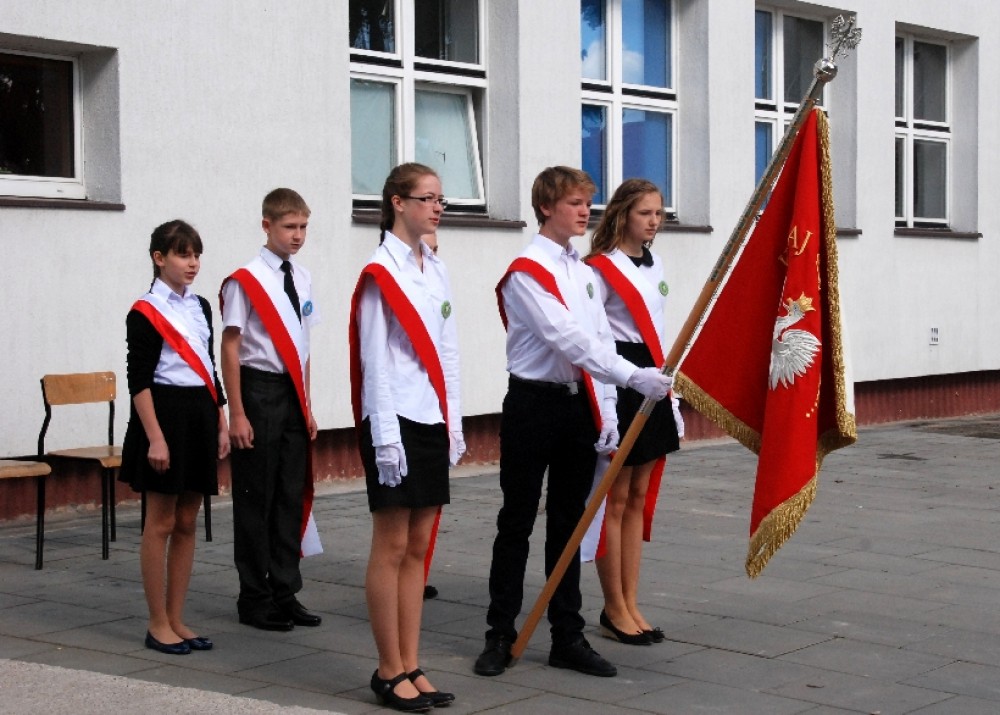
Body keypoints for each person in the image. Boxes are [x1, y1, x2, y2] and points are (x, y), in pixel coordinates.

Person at [475, 166, 672, 679]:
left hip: (576, 405)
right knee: (517, 520)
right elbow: (568, 339)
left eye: (587, 203)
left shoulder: (582, 273)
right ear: (546, 208)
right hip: (533, 404)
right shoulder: (526, 272)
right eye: (574, 203)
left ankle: (567, 634)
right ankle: (500, 633)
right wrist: (633, 376)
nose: (585, 212)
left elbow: (599, 340)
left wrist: (606, 412)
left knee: (570, 523)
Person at [350, 163, 463, 711]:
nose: (437, 208)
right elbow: (374, 361)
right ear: (397, 202)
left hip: (429, 416)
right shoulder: (381, 272)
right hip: (393, 418)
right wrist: (386, 437)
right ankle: (387, 667)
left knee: (419, 547)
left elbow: (448, 352)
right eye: (427, 198)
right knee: (391, 544)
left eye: (441, 199)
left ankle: (412, 663)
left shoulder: (434, 269)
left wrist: (454, 421)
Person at [121, 219, 231, 656]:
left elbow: (209, 367)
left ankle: (176, 617)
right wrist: (155, 438)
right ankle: (156, 623)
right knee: (161, 522)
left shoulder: (200, 306)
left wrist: (221, 421)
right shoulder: (144, 311)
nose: (193, 263)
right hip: (164, 417)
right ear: (159, 258)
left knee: (187, 522)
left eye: (196, 255)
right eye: (183, 255)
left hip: (199, 415)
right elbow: (139, 381)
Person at [584, 179, 684, 646]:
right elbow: (595, 338)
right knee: (616, 497)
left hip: (653, 375)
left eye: (659, 213)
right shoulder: (600, 269)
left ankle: (631, 600)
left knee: (639, 496)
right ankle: (613, 606)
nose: (654, 221)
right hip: (621, 378)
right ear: (622, 213)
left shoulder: (654, 263)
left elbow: (657, 326)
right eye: (645, 212)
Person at [220, 188, 322, 632]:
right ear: (267, 225)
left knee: (288, 495)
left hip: (291, 393)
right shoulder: (246, 280)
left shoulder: (302, 277)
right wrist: (237, 412)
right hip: (257, 389)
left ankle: (285, 590)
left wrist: (308, 403)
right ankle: (253, 596)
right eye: (289, 227)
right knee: (255, 497)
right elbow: (230, 345)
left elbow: (303, 346)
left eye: (303, 227)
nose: (297, 235)